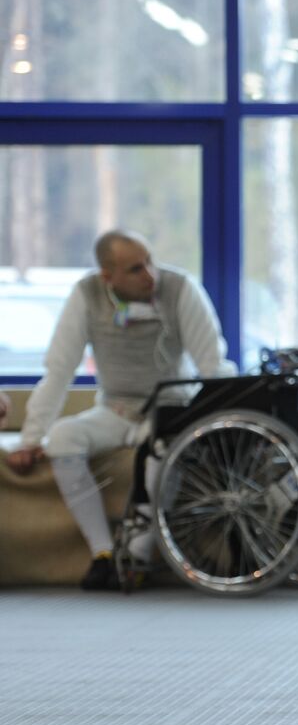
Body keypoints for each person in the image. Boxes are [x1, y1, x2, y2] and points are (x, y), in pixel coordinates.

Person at [6, 230, 235, 590]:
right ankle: (104, 554)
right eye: (135, 269)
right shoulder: (86, 295)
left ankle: (136, 557)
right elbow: (59, 370)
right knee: (64, 437)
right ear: (107, 276)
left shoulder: (180, 288)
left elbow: (213, 364)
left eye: (150, 262)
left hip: (170, 408)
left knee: (156, 449)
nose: (149, 275)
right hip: (115, 408)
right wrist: (32, 438)